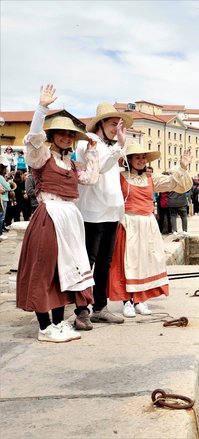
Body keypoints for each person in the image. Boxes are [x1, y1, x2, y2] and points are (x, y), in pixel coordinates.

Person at [17, 84, 99, 342]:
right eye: (61, 134)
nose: (66, 137)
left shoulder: (72, 164)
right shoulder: (42, 156)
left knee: (65, 271)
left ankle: (57, 323)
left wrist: (96, 152)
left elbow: (92, 177)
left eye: (70, 135)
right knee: (44, 268)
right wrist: (41, 109)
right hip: (50, 215)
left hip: (70, 218)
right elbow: (33, 140)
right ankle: (44, 328)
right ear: (52, 136)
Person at [108, 144, 192, 318]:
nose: (141, 160)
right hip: (128, 222)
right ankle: (127, 302)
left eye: (143, 157)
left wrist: (182, 166)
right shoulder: (120, 177)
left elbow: (176, 184)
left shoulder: (151, 178)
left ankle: (140, 300)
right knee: (127, 262)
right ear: (129, 160)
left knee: (146, 262)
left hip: (147, 223)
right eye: (137, 157)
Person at [75, 101, 133, 326]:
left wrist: (117, 146)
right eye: (112, 124)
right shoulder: (88, 144)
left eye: (119, 125)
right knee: (87, 262)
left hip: (111, 213)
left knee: (104, 264)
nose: (115, 128)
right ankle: (82, 309)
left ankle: (100, 306)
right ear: (100, 123)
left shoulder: (109, 147)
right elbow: (100, 168)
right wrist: (119, 146)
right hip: (92, 213)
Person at [0, 157, 11, 241]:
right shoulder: (1, 177)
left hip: (3, 198)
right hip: (3, 199)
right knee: (2, 217)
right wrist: (6, 181)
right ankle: (0, 233)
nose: (5, 171)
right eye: (4, 169)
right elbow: (8, 187)